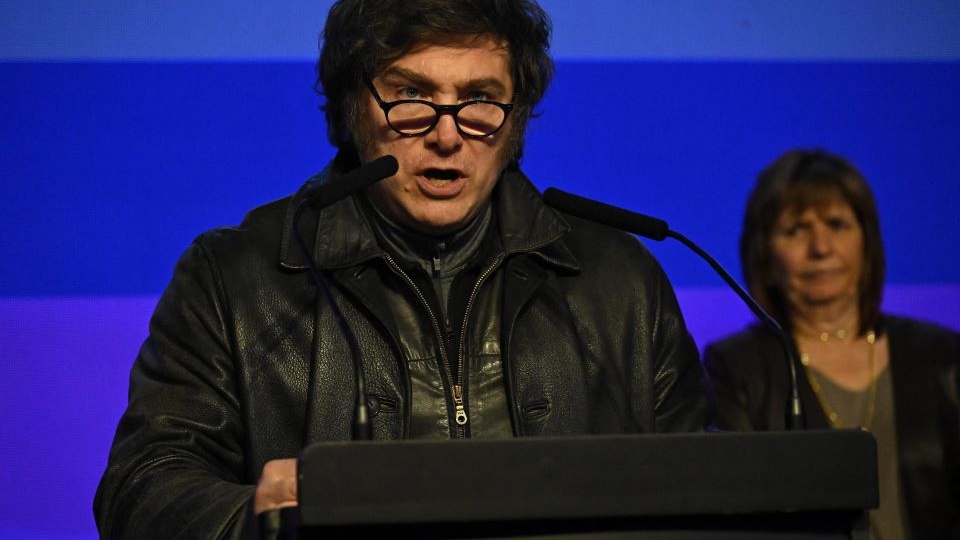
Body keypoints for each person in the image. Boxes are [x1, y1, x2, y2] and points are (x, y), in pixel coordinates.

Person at [93, 0, 708, 538]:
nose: (447, 135)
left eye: (479, 99)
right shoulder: (234, 278)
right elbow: (142, 489)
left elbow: (706, 488)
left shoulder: (621, 282)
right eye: (412, 96)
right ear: (352, 109)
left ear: (515, 120)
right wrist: (258, 517)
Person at [703, 148, 959, 539]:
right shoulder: (736, 368)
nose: (821, 248)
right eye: (796, 230)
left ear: (867, 243)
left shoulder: (941, 357)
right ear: (765, 257)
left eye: (837, 225)